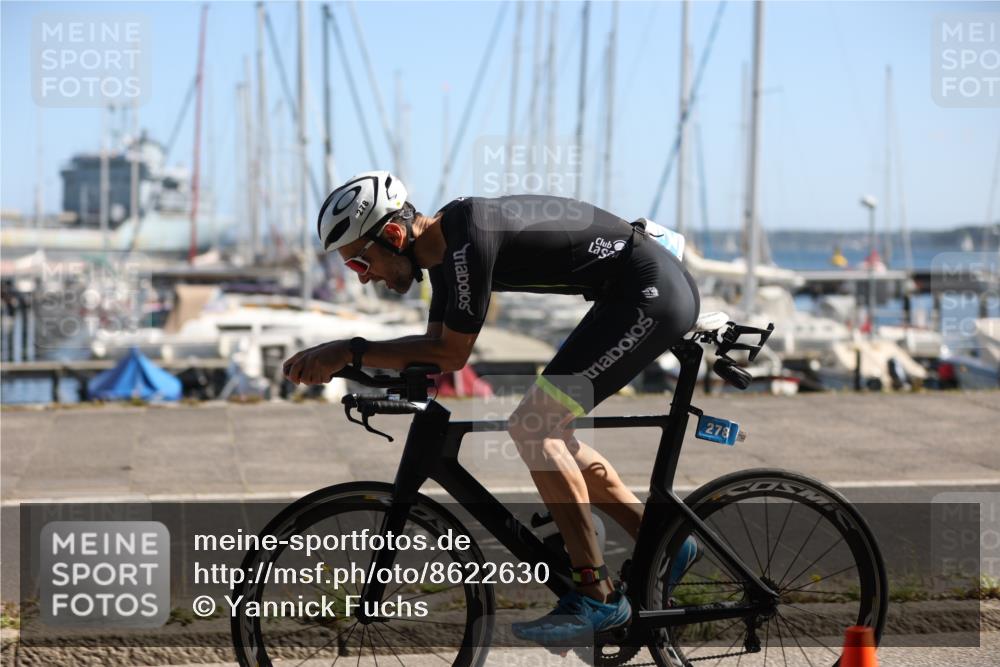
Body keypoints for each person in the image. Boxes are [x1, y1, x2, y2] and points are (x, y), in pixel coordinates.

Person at [283, 170, 701, 646]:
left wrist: (349, 351)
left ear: (393, 235)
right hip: (629, 292)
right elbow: (434, 346)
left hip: (651, 295)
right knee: (546, 430)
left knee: (535, 427)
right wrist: (356, 362)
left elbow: (451, 356)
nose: (365, 279)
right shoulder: (445, 252)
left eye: (361, 264)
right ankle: (665, 541)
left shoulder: (466, 242)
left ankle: (598, 596)